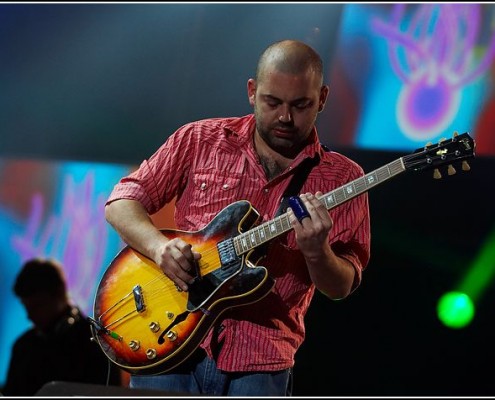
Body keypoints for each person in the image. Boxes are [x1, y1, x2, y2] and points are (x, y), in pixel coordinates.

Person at [104, 39, 371, 396]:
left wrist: (317, 250)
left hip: (259, 362)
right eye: (272, 102)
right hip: (168, 340)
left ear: (322, 98)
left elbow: (340, 287)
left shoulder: (344, 179)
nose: (285, 118)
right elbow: (121, 201)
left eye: (301, 105)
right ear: (252, 91)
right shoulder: (200, 139)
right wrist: (158, 248)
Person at [2, 258, 121, 396]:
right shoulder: (23, 346)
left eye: (36, 306)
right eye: (26, 307)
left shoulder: (96, 342)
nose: (30, 316)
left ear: (59, 293)